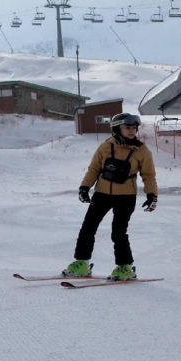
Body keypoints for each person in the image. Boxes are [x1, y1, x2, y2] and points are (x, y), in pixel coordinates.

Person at [62, 113, 158, 280]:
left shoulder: (142, 151)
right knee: (88, 228)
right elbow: (94, 169)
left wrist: (151, 195)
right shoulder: (105, 146)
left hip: (126, 196)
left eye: (134, 128)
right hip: (102, 194)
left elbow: (148, 175)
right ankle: (81, 264)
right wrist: (84, 188)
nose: (132, 131)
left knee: (118, 232)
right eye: (128, 127)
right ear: (117, 128)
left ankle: (125, 267)